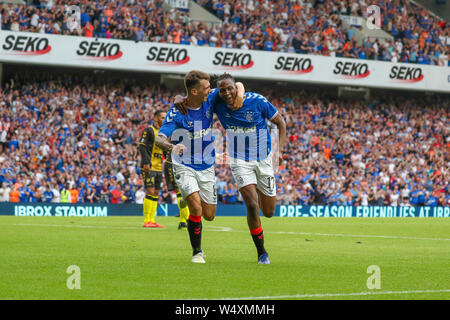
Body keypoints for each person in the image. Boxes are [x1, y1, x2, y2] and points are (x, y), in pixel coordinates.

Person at [174, 73, 287, 265]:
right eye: (222, 90)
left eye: (230, 89)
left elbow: (281, 123)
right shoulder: (217, 102)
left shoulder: (257, 101)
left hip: (264, 159)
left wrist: (279, 152)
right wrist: (178, 99)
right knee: (251, 204)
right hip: (239, 160)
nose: (226, 93)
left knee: (268, 211)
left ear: (237, 88)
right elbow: (192, 96)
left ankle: (260, 194)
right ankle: (262, 253)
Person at [155, 70, 243, 264]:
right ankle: (197, 252)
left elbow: (237, 87)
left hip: (206, 165)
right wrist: (172, 146)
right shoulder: (177, 111)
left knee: (209, 215)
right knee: (196, 209)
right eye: (205, 87)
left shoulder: (210, 98)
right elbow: (159, 138)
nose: (209, 90)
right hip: (184, 164)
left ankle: (188, 196)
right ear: (194, 92)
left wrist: (241, 91)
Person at [138, 110, 167, 228]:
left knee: (156, 193)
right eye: (161, 117)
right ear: (155, 118)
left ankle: (152, 220)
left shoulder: (163, 133)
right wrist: (146, 162)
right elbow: (142, 145)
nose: (164, 119)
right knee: (149, 191)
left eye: (165, 117)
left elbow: (164, 149)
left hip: (159, 167)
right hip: (149, 166)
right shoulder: (149, 130)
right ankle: (146, 220)